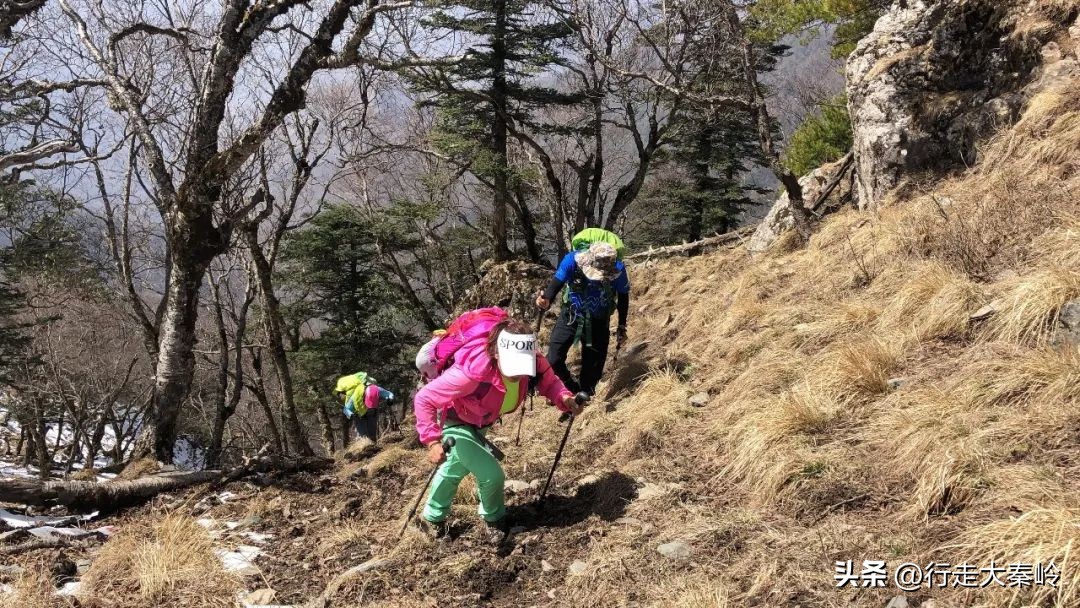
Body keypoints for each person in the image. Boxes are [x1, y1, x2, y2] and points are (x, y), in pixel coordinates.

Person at [412, 316, 583, 543]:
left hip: (480, 423)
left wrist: (565, 399)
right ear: (496, 354)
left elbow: (550, 382)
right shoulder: (472, 372)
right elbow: (424, 398)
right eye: (513, 366)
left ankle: (432, 519)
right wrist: (432, 441)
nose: (517, 373)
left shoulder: (533, 360)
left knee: (454, 468)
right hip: (456, 421)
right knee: (491, 474)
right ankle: (494, 520)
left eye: (522, 366)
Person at [536, 237, 630, 396]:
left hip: (598, 322)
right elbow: (555, 285)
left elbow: (623, 297)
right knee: (553, 360)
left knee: (592, 371)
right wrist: (546, 299)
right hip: (571, 316)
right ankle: (569, 390)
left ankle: (584, 399)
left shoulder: (618, 269)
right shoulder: (571, 261)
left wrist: (621, 325)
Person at [335, 372, 394, 444]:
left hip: (366, 415)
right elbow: (346, 409)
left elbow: (389, 394)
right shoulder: (364, 393)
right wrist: (351, 415)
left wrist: (390, 399)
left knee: (368, 436)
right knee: (367, 436)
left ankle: (370, 448)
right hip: (366, 415)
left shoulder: (373, 390)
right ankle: (369, 448)